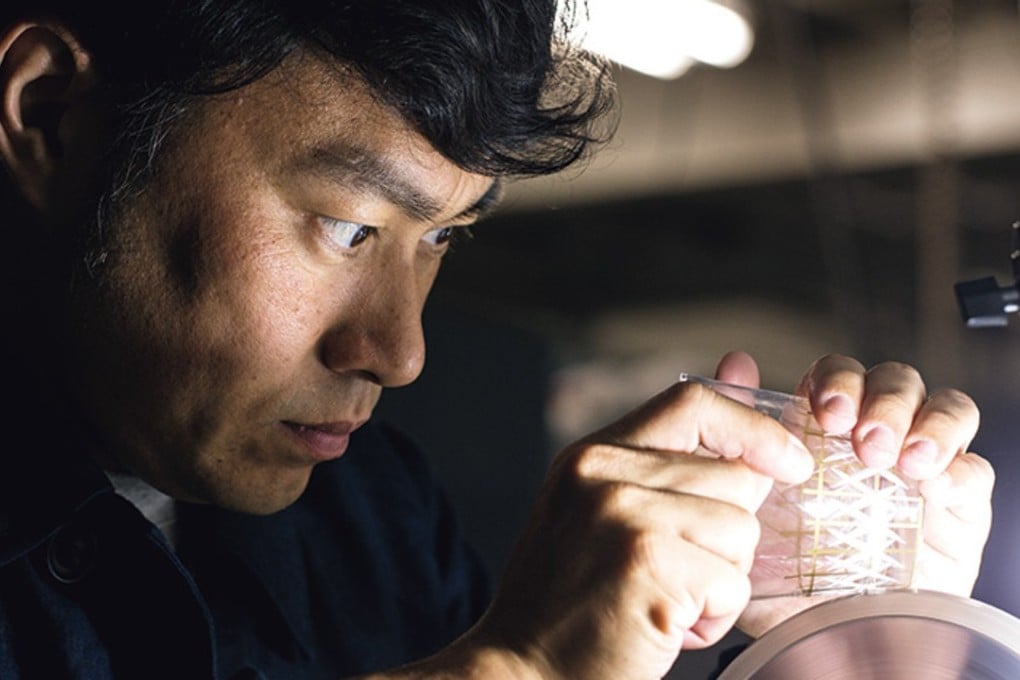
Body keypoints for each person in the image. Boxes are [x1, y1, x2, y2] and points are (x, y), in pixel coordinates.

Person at [0, 1, 994, 678]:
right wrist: (514, 664)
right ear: (48, 114)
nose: (398, 350)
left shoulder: (374, 514)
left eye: (439, 236)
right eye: (349, 225)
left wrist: (845, 653)